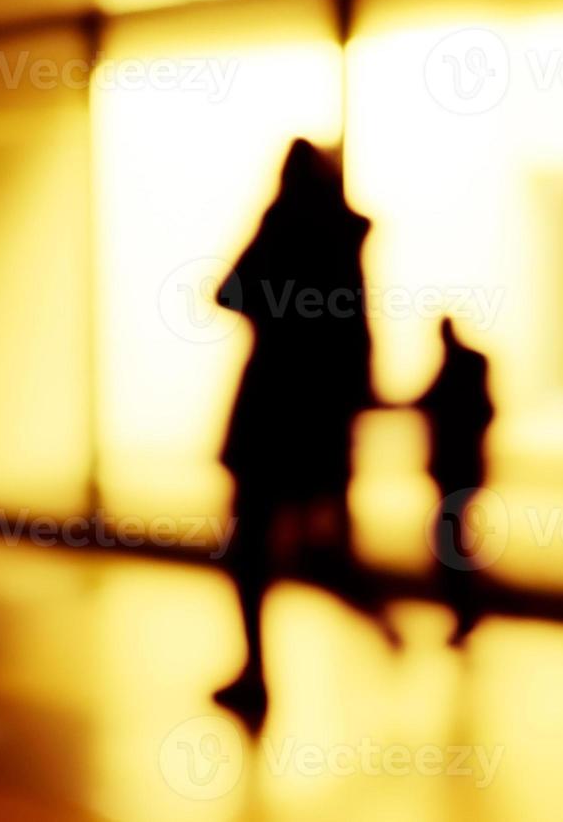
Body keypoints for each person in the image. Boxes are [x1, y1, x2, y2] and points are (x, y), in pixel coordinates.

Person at [212, 139, 377, 722]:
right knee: (317, 544)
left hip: (270, 406)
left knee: (251, 545)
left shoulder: (283, 227)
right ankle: (376, 619)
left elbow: (227, 291)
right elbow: (358, 331)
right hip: (316, 414)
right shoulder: (343, 238)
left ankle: (256, 670)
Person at [415, 318, 496, 645]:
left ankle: (465, 609)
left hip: (454, 470)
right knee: (455, 540)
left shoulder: (456, 367)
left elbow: (426, 401)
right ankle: (466, 609)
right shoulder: (470, 364)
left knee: (451, 542)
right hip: (461, 470)